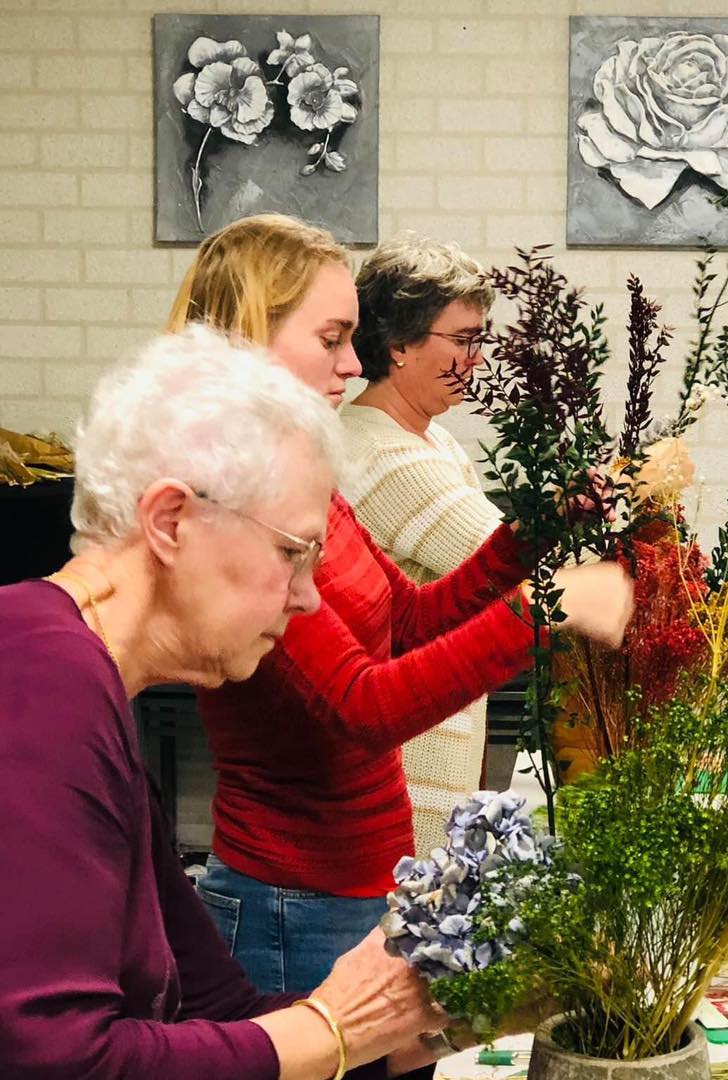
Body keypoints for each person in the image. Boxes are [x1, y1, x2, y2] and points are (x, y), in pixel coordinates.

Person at [166, 214, 635, 994]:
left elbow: (410, 619)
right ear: (252, 336)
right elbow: (362, 705)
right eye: (331, 339)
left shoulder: (303, 476)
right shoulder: (236, 500)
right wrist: (543, 614)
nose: (354, 364)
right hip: (292, 904)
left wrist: (535, 536)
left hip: (350, 889)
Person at [0, 325, 446, 1079]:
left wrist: (455, 1018)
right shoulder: (42, 680)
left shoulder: (92, 684)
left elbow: (214, 1003)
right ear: (171, 521)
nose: (308, 598)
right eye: (290, 553)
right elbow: (55, 1058)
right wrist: (330, 1030)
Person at [342, 233, 504, 856]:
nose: (478, 360)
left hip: (431, 746)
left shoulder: (429, 440)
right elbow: (514, 564)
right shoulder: (383, 453)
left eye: (479, 340)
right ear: (400, 344)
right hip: (407, 767)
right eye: (463, 340)